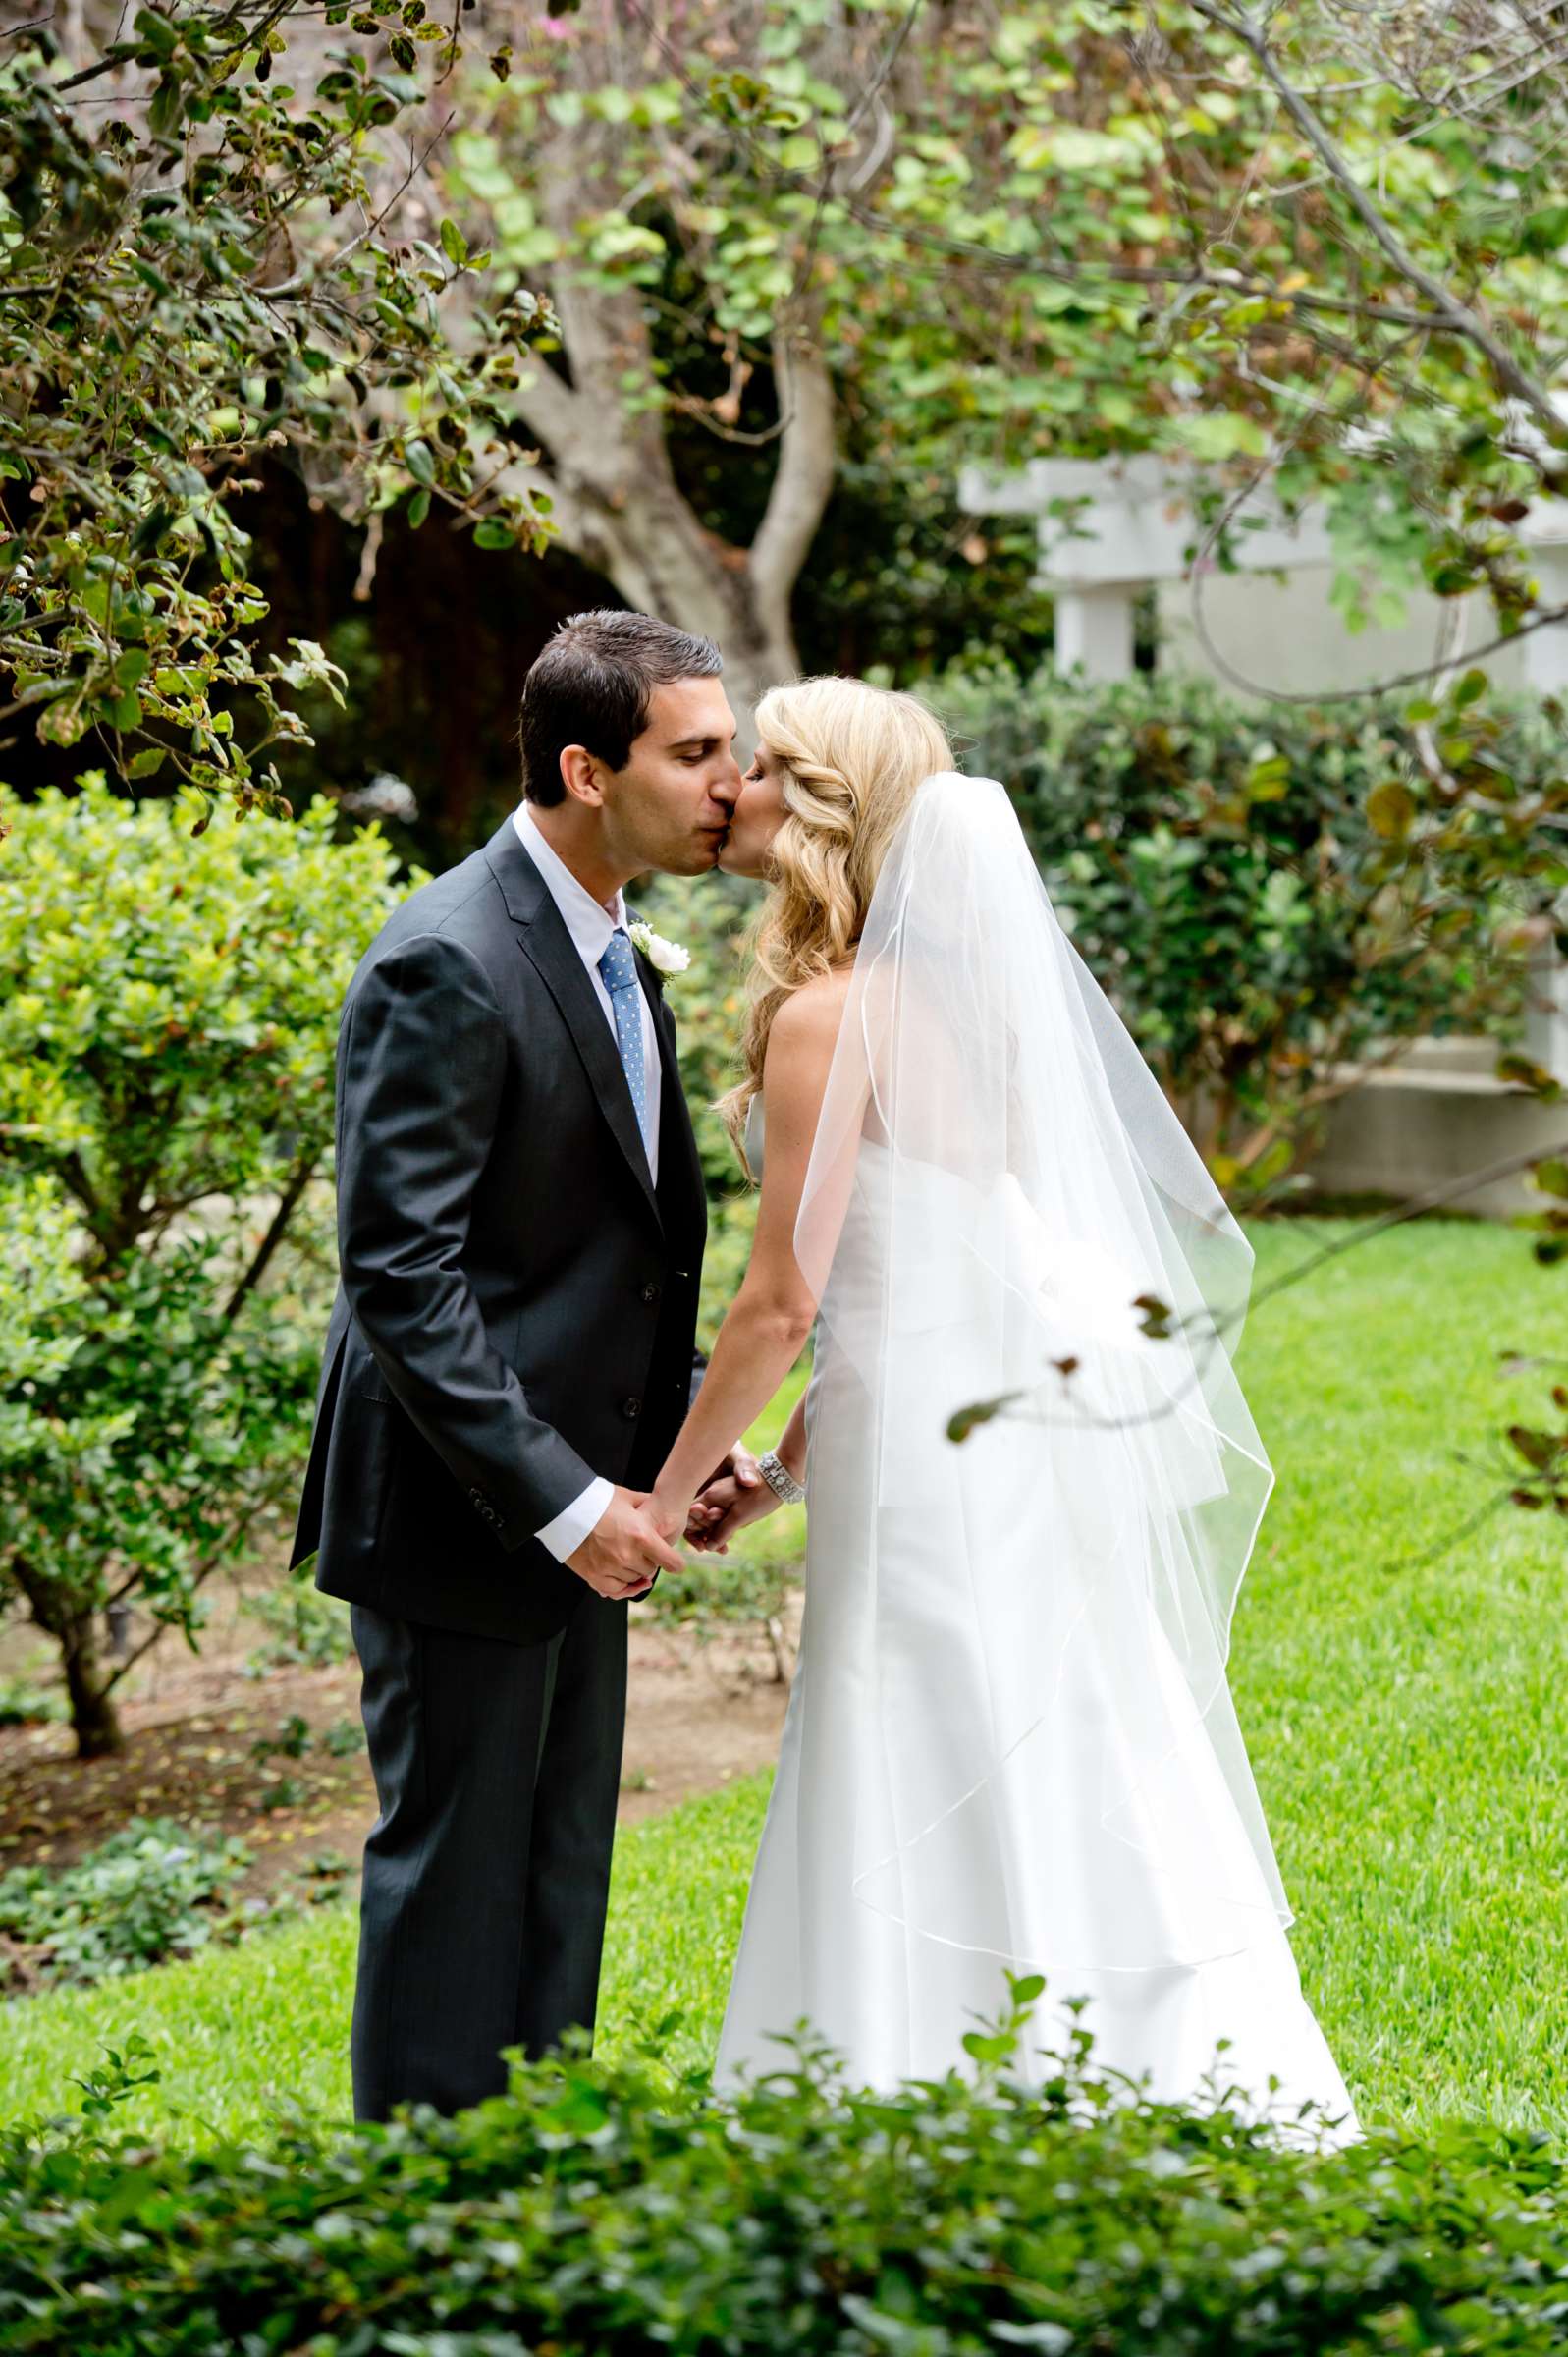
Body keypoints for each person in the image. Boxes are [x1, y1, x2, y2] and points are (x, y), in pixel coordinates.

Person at [659, 675, 1358, 2140]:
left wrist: (662, 1498)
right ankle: (1155, 2082)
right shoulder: (982, 1012)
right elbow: (949, 1273)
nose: (736, 793)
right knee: (1072, 1715)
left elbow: (785, 1303)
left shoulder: (821, 1017)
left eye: (767, 771)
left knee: (911, 1719)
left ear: (824, 814)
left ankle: (901, 2092)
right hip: (998, 1434)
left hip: (918, 1461)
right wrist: (777, 1472)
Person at [289, 609, 757, 2122]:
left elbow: (605, 1256)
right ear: (581, 766)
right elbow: (402, 1281)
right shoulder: (448, 960)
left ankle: (533, 2200)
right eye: (694, 754)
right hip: (464, 1511)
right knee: (455, 1884)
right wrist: (568, 1503)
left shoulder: (621, 948)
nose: (729, 787)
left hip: (589, 1508)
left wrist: (680, 1449)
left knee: (558, 1870)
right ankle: (422, 2231)